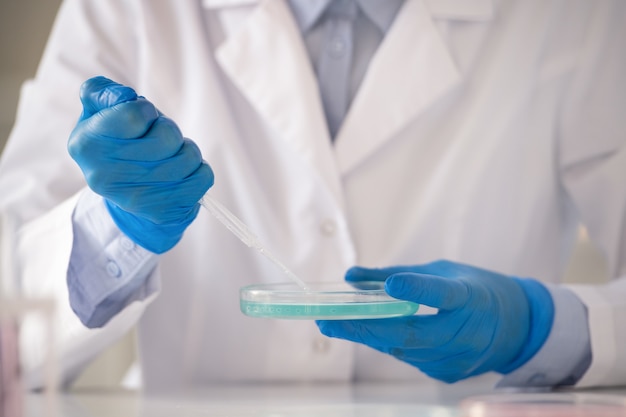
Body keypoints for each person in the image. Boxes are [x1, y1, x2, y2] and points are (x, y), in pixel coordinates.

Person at [0, 0, 624, 393]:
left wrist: (542, 328)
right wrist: (114, 232)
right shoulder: (127, 10)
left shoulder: (577, 17)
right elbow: (9, 312)